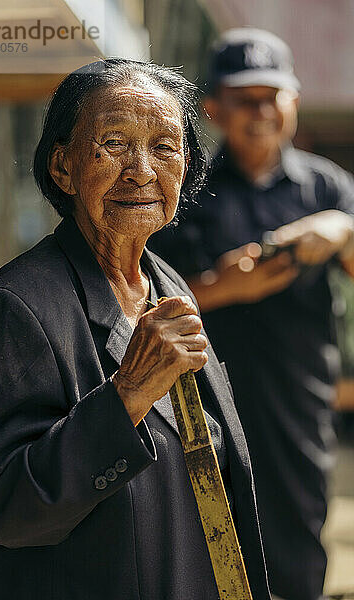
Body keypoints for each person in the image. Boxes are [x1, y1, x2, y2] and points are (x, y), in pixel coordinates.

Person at [0, 59, 271, 600]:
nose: (142, 170)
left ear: (187, 167)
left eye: (164, 147)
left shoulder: (164, 283)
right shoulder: (19, 305)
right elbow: (2, 507)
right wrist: (128, 394)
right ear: (64, 167)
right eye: (116, 143)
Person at [149, 29, 354, 600]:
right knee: (207, 540)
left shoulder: (326, 187)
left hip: (299, 400)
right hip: (203, 403)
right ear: (213, 108)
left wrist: (340, 231)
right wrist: (223, 287)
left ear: (294, 101)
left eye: (273, 95)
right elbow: (141, 299)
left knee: (297, 542)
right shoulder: (185, 189)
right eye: (245, 99)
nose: (261, 111)